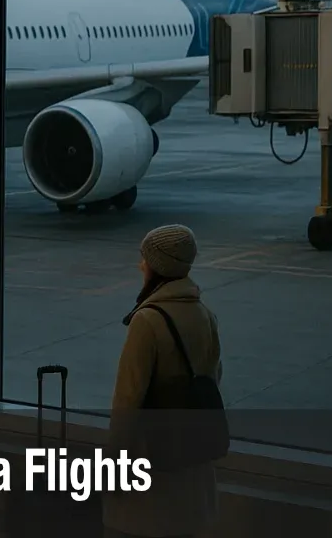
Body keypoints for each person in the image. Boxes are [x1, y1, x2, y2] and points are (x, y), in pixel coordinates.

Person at [104, 224, 221, 538]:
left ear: (158, 266)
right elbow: (213, 379)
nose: (141, 265)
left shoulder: (147, 320)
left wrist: (115, 465)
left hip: (154, 469)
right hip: (193, 465)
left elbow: (127, 401)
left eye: (145, 258)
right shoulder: (205, 315)